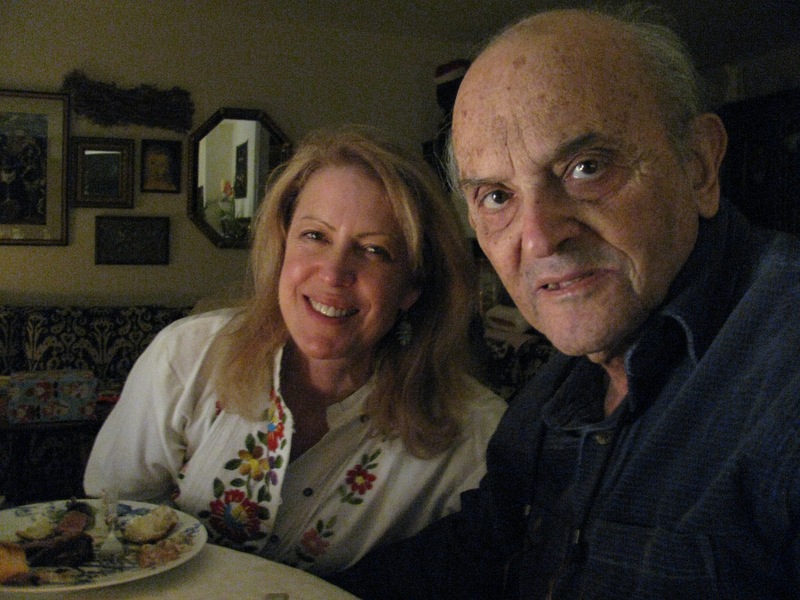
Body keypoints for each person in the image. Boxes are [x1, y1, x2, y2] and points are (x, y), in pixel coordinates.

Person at [326, 6, 800, 599]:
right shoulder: (559, 389)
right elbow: (476, 552)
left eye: (586, 168)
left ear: (699, 166)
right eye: (496, 196)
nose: (539, 239)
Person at [84, 125, 506, 575]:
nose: (333, 273)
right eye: (315, 236)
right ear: (283, 243)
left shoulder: (477, 435)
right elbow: (113, 513)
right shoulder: (187, 356)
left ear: (412, 287)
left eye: (374, 250)